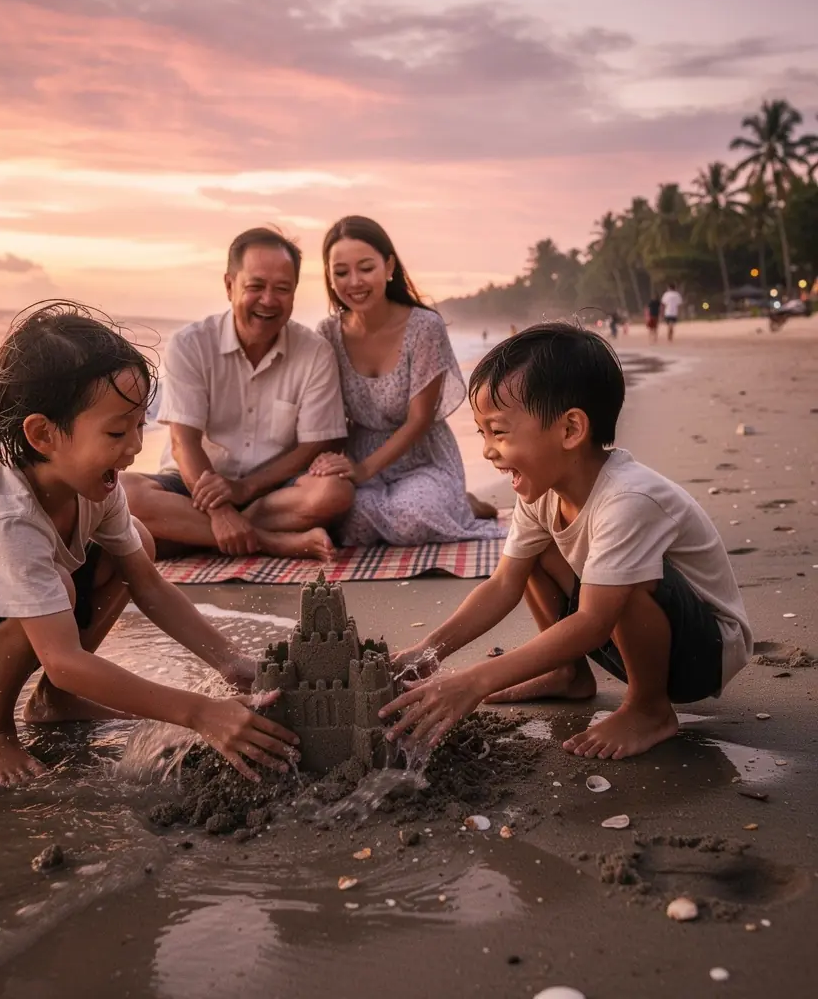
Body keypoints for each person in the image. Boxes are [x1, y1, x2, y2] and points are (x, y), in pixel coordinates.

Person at [0, 303, 299, 787]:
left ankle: (53, 703)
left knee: (137, 547)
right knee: (57, 594)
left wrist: (230, 662)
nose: (134, 445)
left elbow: (147, 584)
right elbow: (64, 660)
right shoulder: (5, 521)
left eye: (138, 425)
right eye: (115, 431)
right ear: (44, 434)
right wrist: (199, 713)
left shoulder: (97, 487)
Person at [381, 323, 751, 761]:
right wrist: (432, 649)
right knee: (532, 552)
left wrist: (476, 680)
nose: (487, 450)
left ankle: (649, 708)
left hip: (701, 654)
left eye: (499, 432)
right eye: (482, 433)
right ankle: (568, 674)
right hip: (632, 631)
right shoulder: (543, 490)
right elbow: (504, 585)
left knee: (627, 579)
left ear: (571, 429)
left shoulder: (628, 498)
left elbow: (594, 620)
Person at [123, 228, 353, 562]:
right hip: (195, 486)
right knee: (124, 494)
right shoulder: (192, 344)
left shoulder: (315, 351)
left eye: (282, 289)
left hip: (274, 493)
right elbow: (182, 442)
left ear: (294, 292)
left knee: (335, 492)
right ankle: (271, 542)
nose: (268, 300)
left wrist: (244, 489)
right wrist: (219, 512)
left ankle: (192, 533)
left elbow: (313, 444)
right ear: (230, 285)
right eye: (256, 286)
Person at [309, 215, 502, 545]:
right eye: (341, 272)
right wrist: (332, 462)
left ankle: (460, 504)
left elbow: (420, 420)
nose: (354, 281)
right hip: (359, 451)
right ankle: (453, 506)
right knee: (351, 526)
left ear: (388, 267)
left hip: (421, 456)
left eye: (366, 268)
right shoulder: (328, 333)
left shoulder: (424, 327)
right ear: (329, 277)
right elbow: (328, 412)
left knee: (412, 520)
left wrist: (363, 471)